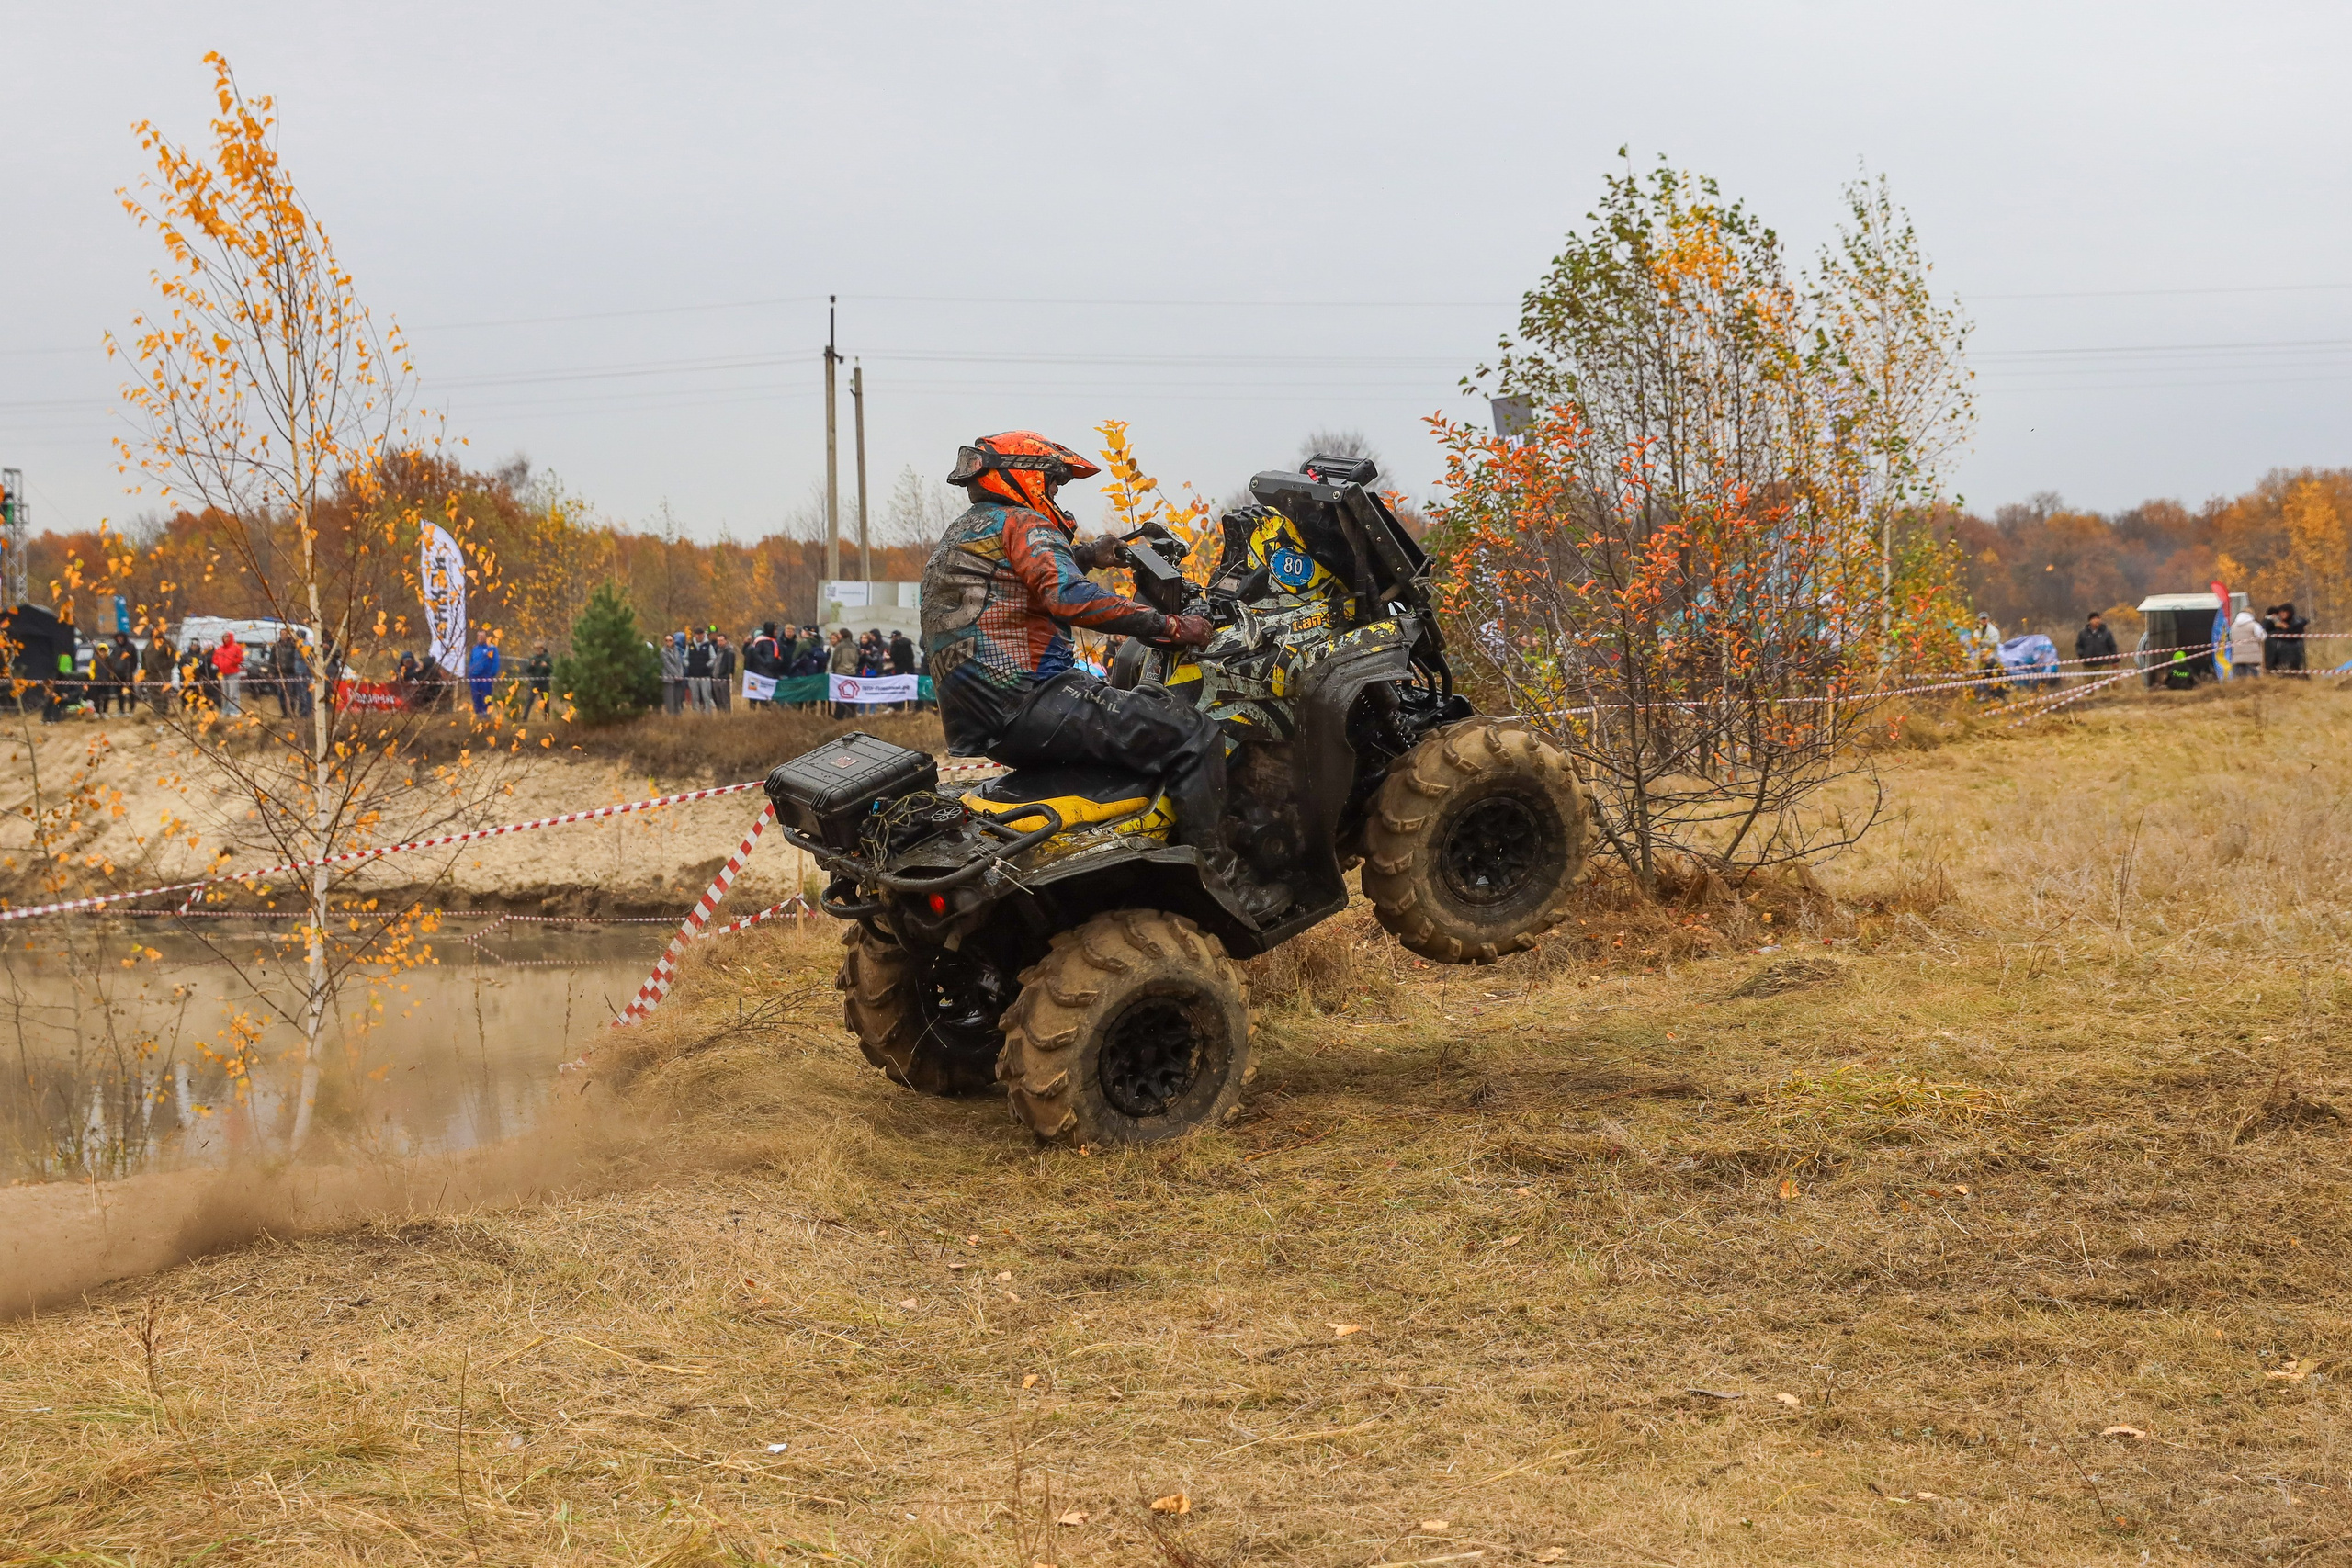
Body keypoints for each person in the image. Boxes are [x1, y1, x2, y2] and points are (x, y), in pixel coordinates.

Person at [919, 430, 1274, 915]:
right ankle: (1222, 884)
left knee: (1143, 708)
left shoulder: (966, 532)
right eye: (1055, 484)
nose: (1057, 495)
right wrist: (1169, 625)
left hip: (984, 722)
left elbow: (1021, 581)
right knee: (1193, 734)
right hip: (1031, 701)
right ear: (1026, 478)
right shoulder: (1023, 522)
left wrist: (1090, 555)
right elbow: (1066, 597)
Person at [140, 628, 175, 716]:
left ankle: (163, 710)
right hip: (150, 673)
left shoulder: (166, 643)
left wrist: (167, 666)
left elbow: (173, 656)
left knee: (163, 692)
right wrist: (144, 670)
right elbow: (144, 658)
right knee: (153, 692)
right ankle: (157, 710)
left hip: (163, 673)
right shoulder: (149, 644)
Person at [826, 626, 859, 717]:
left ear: (842, 635)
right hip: (851, 672)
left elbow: (836, 660)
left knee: (840, 695)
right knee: (850, 695)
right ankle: (851, 714)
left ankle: (839, 715)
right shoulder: (854, 646)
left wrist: (836, 669)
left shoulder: (839, 646)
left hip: (840, 673)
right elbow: (856, 660)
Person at [2267, 603, 2309, 674]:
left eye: (2283, 612)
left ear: (2289, 612)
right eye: (2280, 612)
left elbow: (2291, 636)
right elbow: (2267, 630)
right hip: (2280, 653)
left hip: (2294, 652)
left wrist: (2286, 628)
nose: (2281, 614)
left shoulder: (2296, 623)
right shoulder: (2279, 623)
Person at [466, 630, 501, 716]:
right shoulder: (475, 649)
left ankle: (487, 716)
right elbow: (471, 661)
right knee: (476, 697)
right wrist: (470, 673)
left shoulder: (491, 648)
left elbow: (495, 662)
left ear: (486, 637)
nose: (480, 638)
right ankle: (478, 715)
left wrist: (491, 674)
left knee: (486, 697)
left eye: (482, 636)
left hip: (486, 676)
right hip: (474, 676)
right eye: (478, 636)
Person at [211, 632, 245, 716]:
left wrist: (232, 662)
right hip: (222, 673)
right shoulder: (220, 649)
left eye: (227, 637)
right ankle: (225, 710)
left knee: (233, 693)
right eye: (224, 637)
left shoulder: (236, 647)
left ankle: (234, 711)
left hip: (233, 673)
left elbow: (240, 658)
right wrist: (219, 664)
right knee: (224, 693)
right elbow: (214, 659)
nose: (225, 639)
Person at [2074, 611, 2118, 676]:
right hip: (2088, 664)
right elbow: (2078, 645)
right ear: (2090, 621)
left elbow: (2112, 646)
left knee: (2104, 684)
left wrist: (2115, 660)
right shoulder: (2083, 633)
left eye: (2098, 618)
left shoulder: (2106, 633)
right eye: (2094, 619)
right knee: (2088, 685)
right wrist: (2081, 655)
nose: (2097, 620)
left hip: (2103, 663)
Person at [2228, 607, 2267, 678]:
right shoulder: (2254, 625)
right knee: (2253, 681)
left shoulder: (2233, 626)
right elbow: (2262, 636)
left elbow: (2231, 638)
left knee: (2238, 680)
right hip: (2252, 658)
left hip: (2237, 658)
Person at [888, 626, 919, 711]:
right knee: (909, 687)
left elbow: (894, 657)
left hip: (899, 669)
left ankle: (899, 707)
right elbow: (912, 656)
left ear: (894, 637)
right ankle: (909, 707)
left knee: (900, 688)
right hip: (910, 668)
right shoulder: (909, 643)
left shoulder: (895, 645)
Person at [684, 628, 715, 712]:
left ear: (703, 635)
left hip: (705, 676)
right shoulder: (690, 646)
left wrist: (706, 666)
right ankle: (696, 714)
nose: (698, 636)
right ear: (694, 635)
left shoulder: (709, 646)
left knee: (706, 696)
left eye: (700, 634)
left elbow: (713, 658)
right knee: (694, 697)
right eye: (697, 634)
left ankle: (708, 714)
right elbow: (685, 658)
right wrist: (689, 665)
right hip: (692, 676)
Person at [524, 642, 554, 716]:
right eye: (536, 649)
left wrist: (546, 666)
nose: (538, 650)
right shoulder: (533, 658)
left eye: (539, 649)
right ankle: (524, 718)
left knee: (545, 701)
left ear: (542, 649)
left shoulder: (547, 658)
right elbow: (527, 670)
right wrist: (532, 665)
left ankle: (547, 718)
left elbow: (551, 669)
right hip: (534, 683)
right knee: (530, 700)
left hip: (544, 683)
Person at [661, 631, 686, 715]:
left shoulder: (677, 650)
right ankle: (670, 718)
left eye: (670, 640)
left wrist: (680, 674)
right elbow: (667, 664)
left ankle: (678, 716)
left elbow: (680, 663)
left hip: (678, 679)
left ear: (674, 641)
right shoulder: (663, 651)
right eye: (667, 640)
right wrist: (676, 674)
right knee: (670, 700)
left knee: (677, 699)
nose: (668, 642)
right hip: (669, 678)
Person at [712, 631, 734, 712]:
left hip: (724, 679)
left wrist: (726, 677)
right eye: (718, 641)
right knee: (718, 700)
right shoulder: (716, 650)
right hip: (715, 678)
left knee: (725, 700)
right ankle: (720, 716)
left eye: (721, 640)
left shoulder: (729, 652)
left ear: (726, 641)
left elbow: (730, 666)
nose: (720, 643)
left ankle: (727, 716)